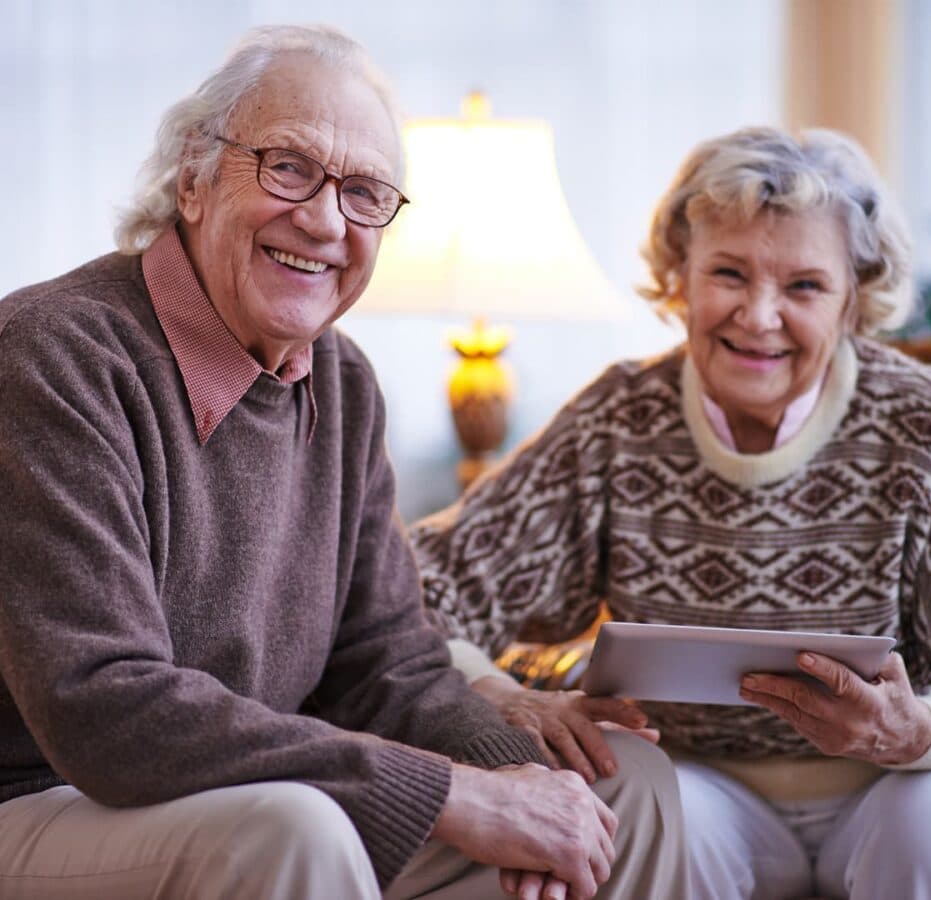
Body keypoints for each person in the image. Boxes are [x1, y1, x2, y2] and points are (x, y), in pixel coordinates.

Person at [0, 24, 689, 900]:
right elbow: (102, 706)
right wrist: (448, 794)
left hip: (250, 794)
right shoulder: (54, 355)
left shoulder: (344, 381)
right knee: (295, 827)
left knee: (621, 790)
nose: (324, 220)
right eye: (287, 167)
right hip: (42, 797)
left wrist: (527, 783)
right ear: (194, 181)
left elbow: (386, 664)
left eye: (365, 193)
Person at [412, 126, 931, 900]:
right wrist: (519, 689)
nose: (758, 317)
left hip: (889, 788)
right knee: (620, 809)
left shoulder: (922, 419)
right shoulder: (620, 416)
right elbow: (422, 588)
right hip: (700, 790)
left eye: (803, 287)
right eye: (729, 272)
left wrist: (913, 729)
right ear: (680, 276)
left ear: (854, 298)